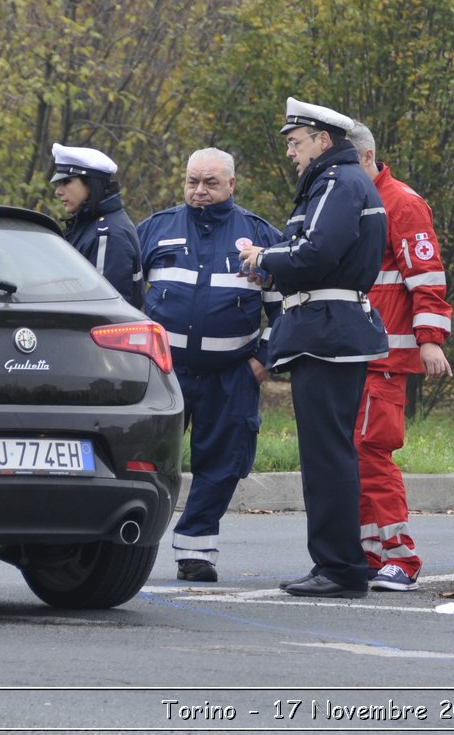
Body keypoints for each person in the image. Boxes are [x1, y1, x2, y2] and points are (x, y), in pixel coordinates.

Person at [237, 98, 387, 599]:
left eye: (295, 142)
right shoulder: (340, 183)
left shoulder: (337, 183)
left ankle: (340, 567)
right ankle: (339, 561)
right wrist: (271, 261)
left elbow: (316, 252)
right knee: (330, 453)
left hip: (327, 333)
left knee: (326, 456)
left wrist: (264, 256)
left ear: (323, 141)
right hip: (329, 330)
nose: (291, 153)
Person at [137, 147, 281, 583]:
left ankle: (196, 551)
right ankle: (122, 544)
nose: (199, 191)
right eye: (192, 182)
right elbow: (120, 298)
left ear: (232, 185)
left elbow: (287, 309)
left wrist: (262, 361)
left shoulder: (260, 236)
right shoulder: (155, 230)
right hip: (162, 373)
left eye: (211, 183)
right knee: (143, 461)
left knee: (221, 465)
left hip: (232, 375)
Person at [345, 121, 453, 591]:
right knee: (359, 453)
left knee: (373, 451)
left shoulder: (401, 203)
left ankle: (401, 557)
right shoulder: (360, 201)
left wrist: (430, 340)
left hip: (386, 355)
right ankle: (372, 551)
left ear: (366, 158)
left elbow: (426, 276)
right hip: (362, 353)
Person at [49, 142, 142, 311]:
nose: (58, 191)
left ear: (90, 184)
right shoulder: (88, 225)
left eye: (66, 182)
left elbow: (103, 310)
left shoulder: (106, 235)